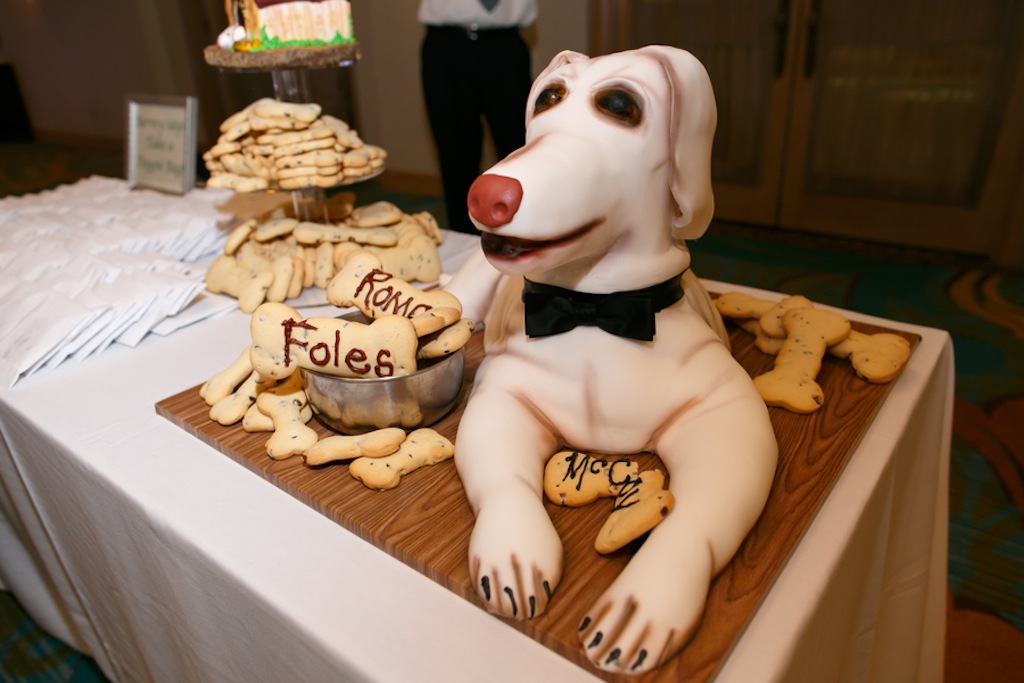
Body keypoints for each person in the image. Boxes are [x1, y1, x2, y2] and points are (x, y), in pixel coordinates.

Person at [419, 0, 537, 233]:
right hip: (446, 46)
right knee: (454, 155)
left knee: (518, 150)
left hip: (505, 46)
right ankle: (464, 240)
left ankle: (523, 239)